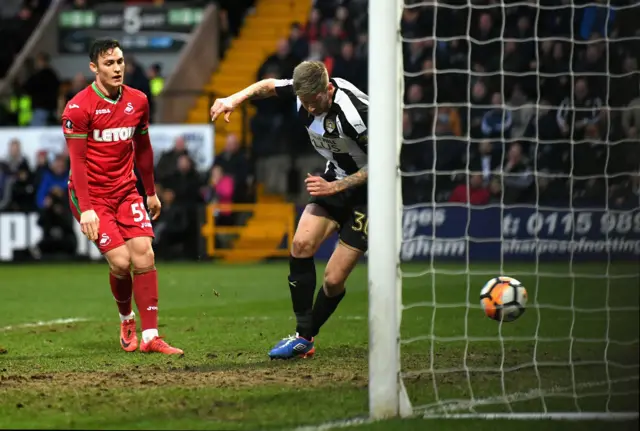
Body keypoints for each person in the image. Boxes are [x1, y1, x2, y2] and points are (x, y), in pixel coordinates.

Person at [210, 60, 369, 359]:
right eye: (304, 103)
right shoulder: (303, 93)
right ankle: (302, 337)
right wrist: (233, 99)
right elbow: (268, 85)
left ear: (329, 89)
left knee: (334, 280)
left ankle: (306, 337)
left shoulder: (356, 113)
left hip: (369, 195)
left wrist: (336, 187)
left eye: (314, 102)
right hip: (334, 179)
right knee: (300, 244)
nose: (309, 109)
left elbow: (384, 160)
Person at [61, 39, 183, 355]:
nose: (117, 69)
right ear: (94, 68)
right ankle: (127, 318)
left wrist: (151, 192)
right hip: (91, 196)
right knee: (120, 262)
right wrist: (87, 210)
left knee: (145, 255)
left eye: (120, 62)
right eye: (109, 64)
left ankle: (150, 336)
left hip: (126, 190)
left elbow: (143, 148)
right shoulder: (78, 108)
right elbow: (78, 163)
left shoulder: (138, 101)